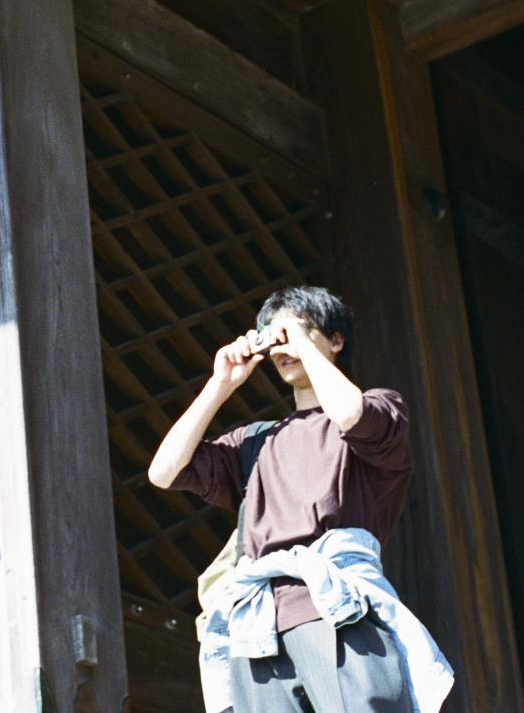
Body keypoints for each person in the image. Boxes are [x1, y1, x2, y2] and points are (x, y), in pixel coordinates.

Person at [148, 287, 454, 713]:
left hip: (341, 608)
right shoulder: (255, 441)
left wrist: (305, 348)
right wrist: (220, 385)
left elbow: (351, 416)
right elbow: (162, 473)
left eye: (299, 330)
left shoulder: (380, 407)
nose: (283, 345)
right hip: (256, 626)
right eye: (274, 337)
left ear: (336, 339)